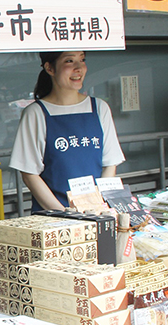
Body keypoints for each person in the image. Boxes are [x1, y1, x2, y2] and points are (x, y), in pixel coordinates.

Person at [10, 51, 125, 212]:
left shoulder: (99, 108)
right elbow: (29, 174)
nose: (79, 68)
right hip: (53, 217)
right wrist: (65, 213)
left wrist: (97, 208)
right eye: (69, 61)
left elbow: (110, 164)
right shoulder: (36, 113)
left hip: (95, 213)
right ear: (50, 68)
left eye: (82, 60)